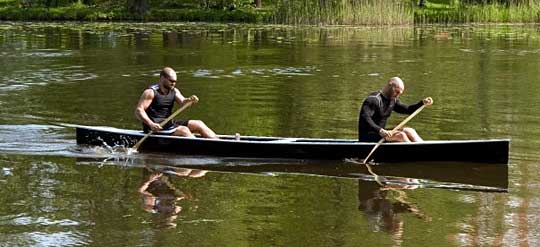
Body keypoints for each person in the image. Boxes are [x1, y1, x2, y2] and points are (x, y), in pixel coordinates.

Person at [135, 67, 218, 139]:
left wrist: (189, 100)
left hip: (168, 124)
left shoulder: (174, 91)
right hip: (156, 126)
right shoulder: (151, 92)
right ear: (162, 78)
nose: (173, 83)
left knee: (199, 123)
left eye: (175, 81)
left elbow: (183, 102)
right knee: (184, 130)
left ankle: (217, 142)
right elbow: (139, 111)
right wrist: (151, 124)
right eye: (171, 81)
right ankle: (201, 148)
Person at [358, 77, 433, 142]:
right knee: (401, 135)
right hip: (367, 137)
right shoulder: (373, 99)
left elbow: (408, 109)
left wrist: (422, 103)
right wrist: (380, 130)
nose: (397, 95)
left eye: (399, 93)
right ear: (390, 84)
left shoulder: (393, 100)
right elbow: (365, 118)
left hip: (382, 134)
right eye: (396, 92)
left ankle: (425, 147)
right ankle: (416, 151)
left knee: (410, 131)